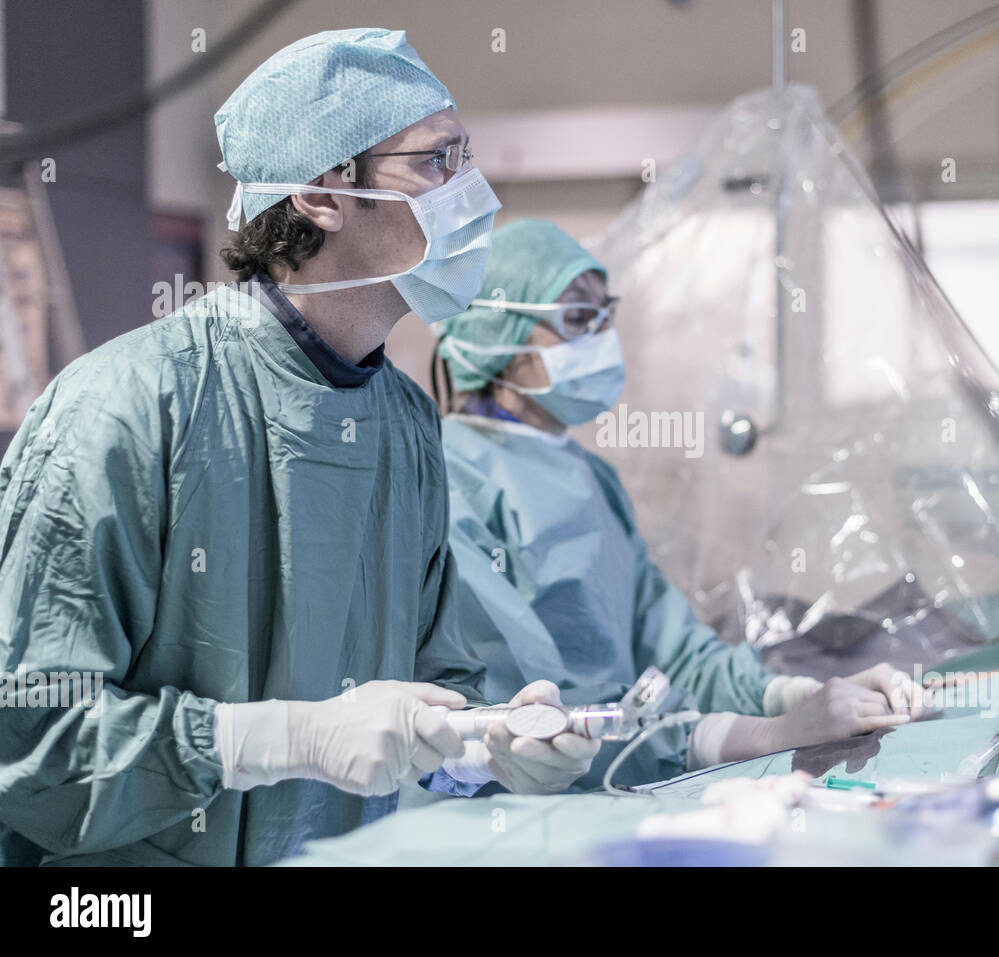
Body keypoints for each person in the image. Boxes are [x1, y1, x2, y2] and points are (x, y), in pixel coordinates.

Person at [0, 30, 596, 867]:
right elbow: (31, 741)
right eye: (437, 161)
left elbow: (436, 679)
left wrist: (487, 744)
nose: (475, 194)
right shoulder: (125, 408)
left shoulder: (404, 423)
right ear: (323, 193)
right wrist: (277, 738)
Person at [431, 219, 925, 789]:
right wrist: (759, 735)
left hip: (608, 794)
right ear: (499, 337)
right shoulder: (451, 479)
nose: (601, 336)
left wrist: (792, 695)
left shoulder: (590, 476)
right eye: (575, 319)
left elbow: (674, 652)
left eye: (604, 314)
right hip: (498, 818)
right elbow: (535, 714)